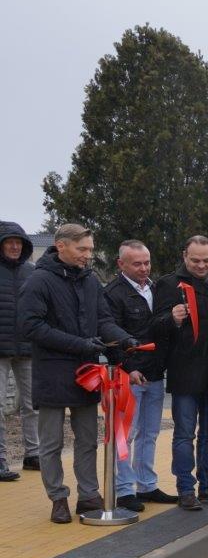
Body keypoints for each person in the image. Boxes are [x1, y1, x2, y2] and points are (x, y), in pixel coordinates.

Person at [16, 224, 132, 523]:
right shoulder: (38, 280)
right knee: (52, 442)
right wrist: (81, 345)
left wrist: (124, 339)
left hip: (86, 372)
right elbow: (31, 327)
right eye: (82, 249)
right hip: (52, 373)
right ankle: (57, 497)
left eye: (90, 249)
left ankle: (89, 494)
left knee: (88, 439)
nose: (88, 255)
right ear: (61, 246)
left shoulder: (90, 281)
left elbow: (104, 320)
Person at [152, 236, 208, 510]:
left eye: (207, 260)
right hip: (184, 371)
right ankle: (185, 488)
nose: (201, 265)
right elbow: (153, 326)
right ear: (185, 256)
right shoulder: (167, 284)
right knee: (184, 434)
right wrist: (171, 319)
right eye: (195, 260)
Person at [104, 240, 177, 511]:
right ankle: (124, 489)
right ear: (120, 264)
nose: (144, 268)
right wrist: (126, 366)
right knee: (125, 434)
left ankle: (147, 484)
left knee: (150, 432)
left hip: (155, 374)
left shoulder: (157, 289)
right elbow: (108, 332)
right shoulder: (112, 294)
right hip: (128, 376)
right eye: (137, 263)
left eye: (147, 262)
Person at [0, 221, 39, 479]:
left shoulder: (32, 272)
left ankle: (33, 454)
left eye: (19, 242)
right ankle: (0, 460)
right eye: (10, 242)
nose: (15, 246)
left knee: (33, 405)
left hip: (27, 348)